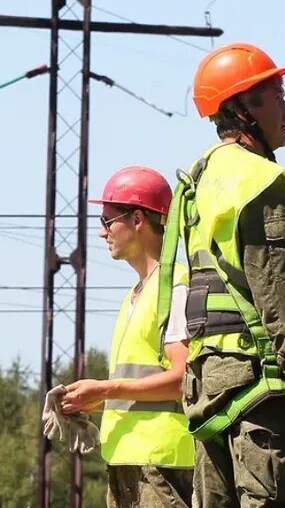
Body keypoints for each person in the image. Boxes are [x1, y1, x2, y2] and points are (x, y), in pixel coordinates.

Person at [157, 42, 285, 508]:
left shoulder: (199, 177)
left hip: (208, 383)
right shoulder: (263, 183)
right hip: (261, 384)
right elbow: (282, 296)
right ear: (242, 107)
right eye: (277, 95)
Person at [62, 166, 195, 507]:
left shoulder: (175, 288)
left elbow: (182, 381)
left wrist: (106, 389)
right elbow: (140, 382)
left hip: (162, 463)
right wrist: (97, 401)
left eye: (108, 221)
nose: (101, 232)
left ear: (138, 219)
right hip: (129, 461)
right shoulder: (136, 294)